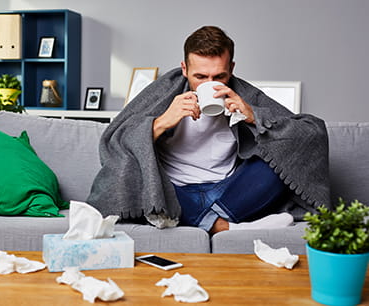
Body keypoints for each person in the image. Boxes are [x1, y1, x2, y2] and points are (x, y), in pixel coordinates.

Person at [87, 26, 330, 233]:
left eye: (219, 76)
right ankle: (227, 227)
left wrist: (253, 116)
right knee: (144, 179)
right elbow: (115, 140)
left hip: (231, 190)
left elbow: (311, 132)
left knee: (281, 163)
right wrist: (161, 122)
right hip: (176, 191)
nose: (209, 84)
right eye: (200, 76)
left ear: (231, 69)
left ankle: (205, 219)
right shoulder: (163, 93)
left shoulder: (244, 95)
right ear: (184, 68)